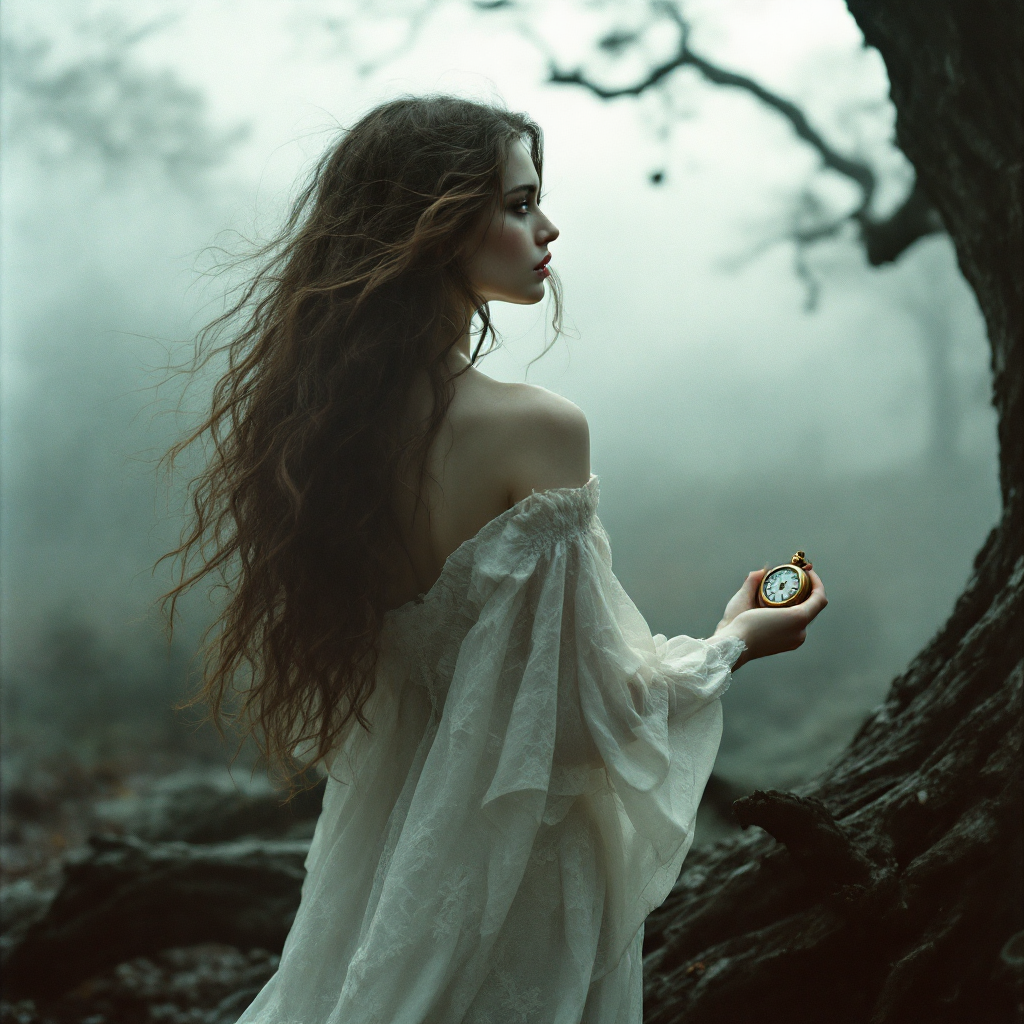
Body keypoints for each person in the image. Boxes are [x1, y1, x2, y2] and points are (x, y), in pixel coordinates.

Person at [161, 95, 827, 1024]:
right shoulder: (537, 430)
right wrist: (732, 644)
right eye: (518, 204)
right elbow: (588, 720)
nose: (549, 227)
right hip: (519, 875)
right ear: (430, 225)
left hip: (385, 856)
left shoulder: (324, 435)